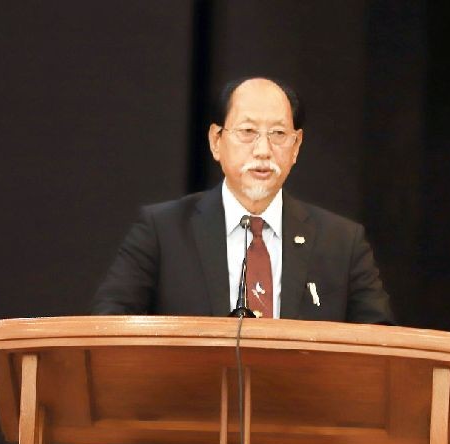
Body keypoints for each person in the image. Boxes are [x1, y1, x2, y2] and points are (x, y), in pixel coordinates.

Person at [93, 77, 393, 324]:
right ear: (215, 141)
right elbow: (107, 326)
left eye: (278, 134)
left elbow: (383, 348)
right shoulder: (162, 231)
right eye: (248, 132)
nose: (263, 150)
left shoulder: (342, 243)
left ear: (296, 146)